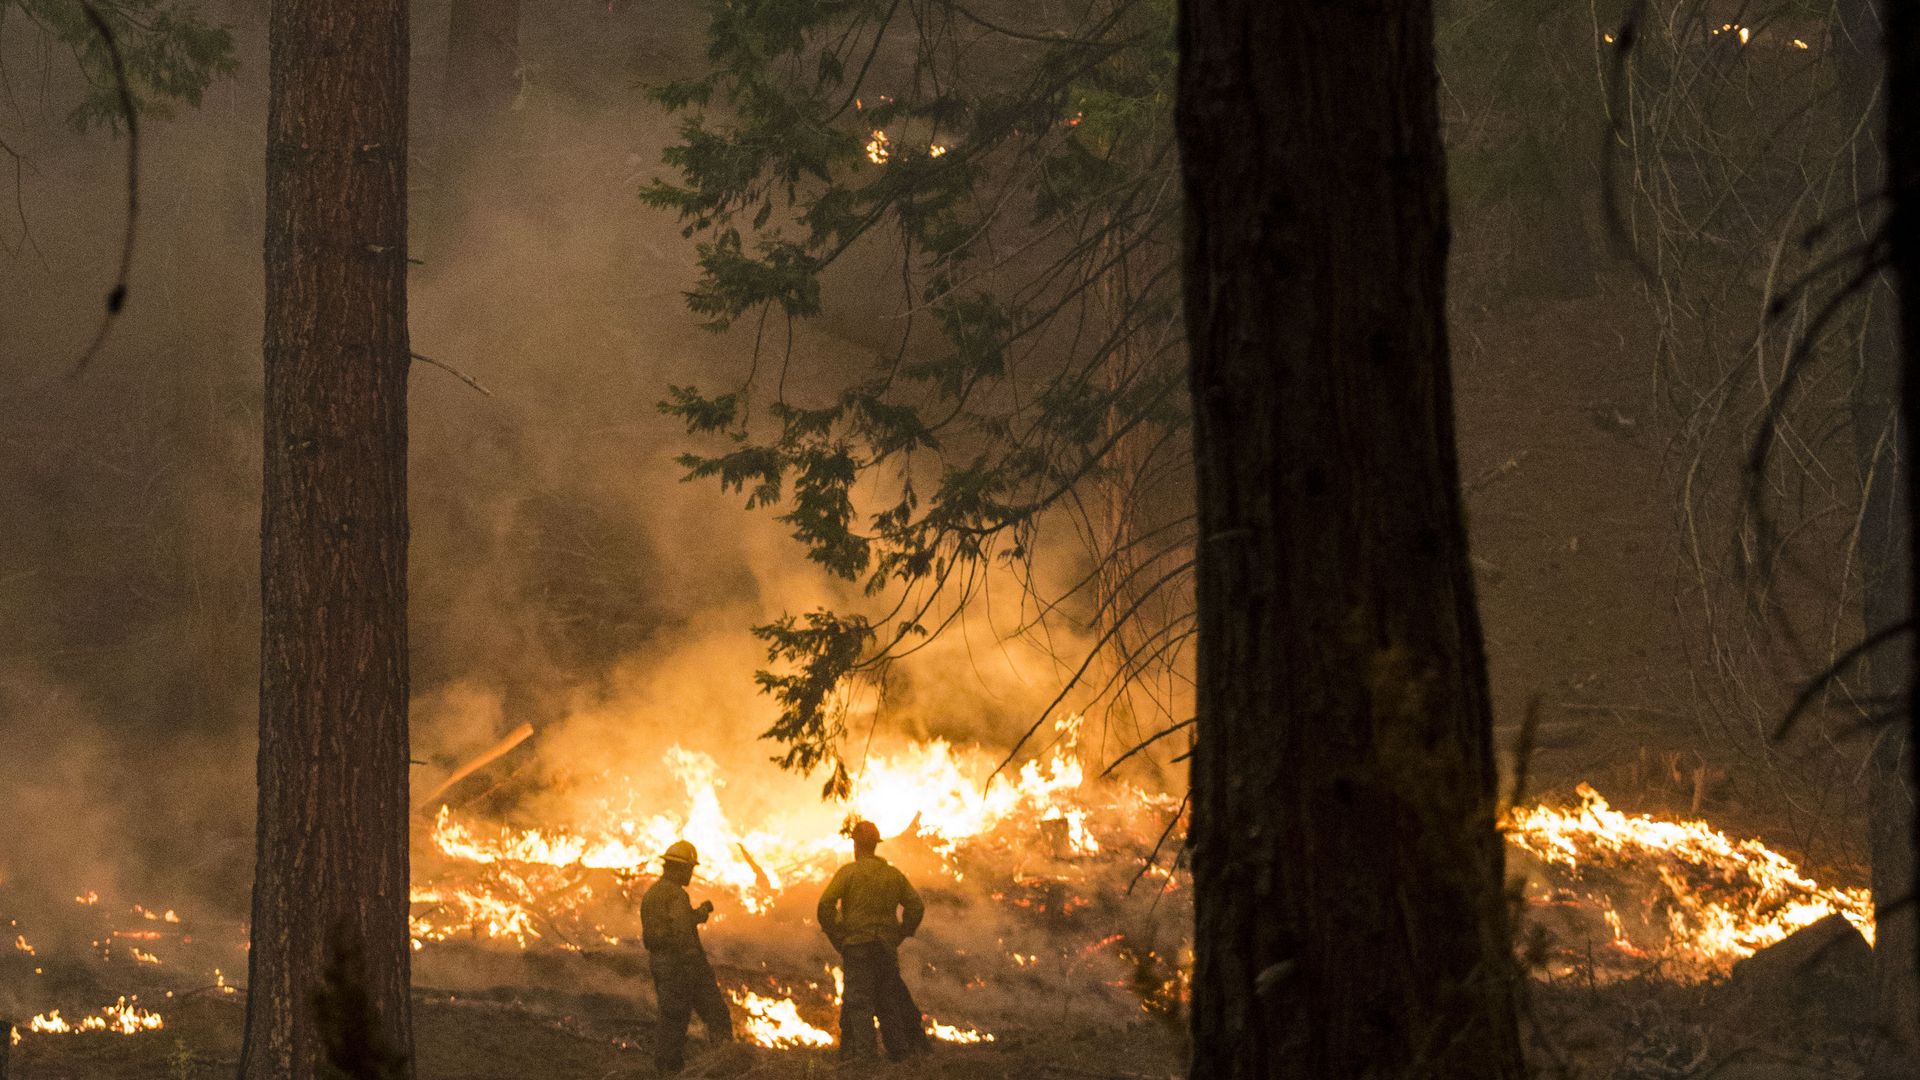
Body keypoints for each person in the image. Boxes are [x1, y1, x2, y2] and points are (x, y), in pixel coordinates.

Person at [816, 820, 930, 1061]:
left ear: (856, 846)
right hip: (885, 947)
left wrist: (839, 936)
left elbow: (825, 906)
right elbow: (915, 906)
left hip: (857, 946)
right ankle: (898, 1052)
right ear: (876, 846)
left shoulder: (849, 873)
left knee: (859, 1001)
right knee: (887, 999)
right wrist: (900, 933)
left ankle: (864, 1056)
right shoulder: (893, 875)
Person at [640, 840, 733, 1074]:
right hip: (682, 968)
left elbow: (677, 922)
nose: (691, 873)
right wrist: (699, 971)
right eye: (690, 868)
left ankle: (667, 1070)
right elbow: (683, 935)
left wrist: (701, 913)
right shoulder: (676, 895)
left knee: (671, 1019)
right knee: (715, 1016)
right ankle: (724, 1066)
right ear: (679, 868)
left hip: (662, 965)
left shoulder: (653, 894)